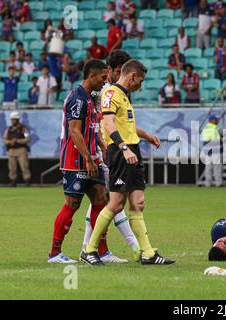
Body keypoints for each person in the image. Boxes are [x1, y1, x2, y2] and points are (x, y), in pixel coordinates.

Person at [81, 59, 175, 266]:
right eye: (140, 81)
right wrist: (123, 147)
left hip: (132, 150)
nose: (140, 85)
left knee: (138, 203)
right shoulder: (111, 93)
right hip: (120, 152)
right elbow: (108, 123)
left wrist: (147, 136)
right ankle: (89, 250)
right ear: (132, 76)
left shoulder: (123, 96)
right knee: (115, 204)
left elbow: (127, 126)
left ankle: (148, 253)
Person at [80, 49, 142, 264]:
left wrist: (146, 135)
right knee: (111, 200)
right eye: (120, 71)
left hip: (107, 148)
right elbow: (102, 122)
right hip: (106, 149)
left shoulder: (117, 90)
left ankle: (89, 248)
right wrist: (106, 146)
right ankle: (134, 247)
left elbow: (125, 123)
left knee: (103, 199)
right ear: (114, 70)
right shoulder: (106, 90)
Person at [47, 60, 109, 263]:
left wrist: (101, 148)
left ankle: (99, 250)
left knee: (101, 200)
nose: (105, 81)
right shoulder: (78, 99)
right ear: (92, 76)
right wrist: (88, 159)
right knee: (72, 203)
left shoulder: (91, 98)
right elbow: (74, 131)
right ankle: (55, 253)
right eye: (102, 77)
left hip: (92, 158)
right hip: (76, 160)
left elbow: (92, 128)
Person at [3, 111, 30, 187]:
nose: (13, 121)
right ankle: (13, 181)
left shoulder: (23, 128)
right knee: (12, 167)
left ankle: (27, 180)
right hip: (12, 150)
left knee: (24, 166)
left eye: (14, 119)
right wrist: (9, 142)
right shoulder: (9, 129)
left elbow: (27, 139)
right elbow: (4, 139)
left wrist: (18, 141)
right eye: (12, 119)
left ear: (18, 119)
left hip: (21, 150)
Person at [201, 115, 222, 187]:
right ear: (211, 120)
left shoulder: (205, 128)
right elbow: (222, 134)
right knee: (217, 167)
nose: (217, 121)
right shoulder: (216, 127)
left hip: (207, 150)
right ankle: (218, 183)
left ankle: (207, 183)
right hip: (215, 149)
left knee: (208, 167)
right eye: (215, 120)